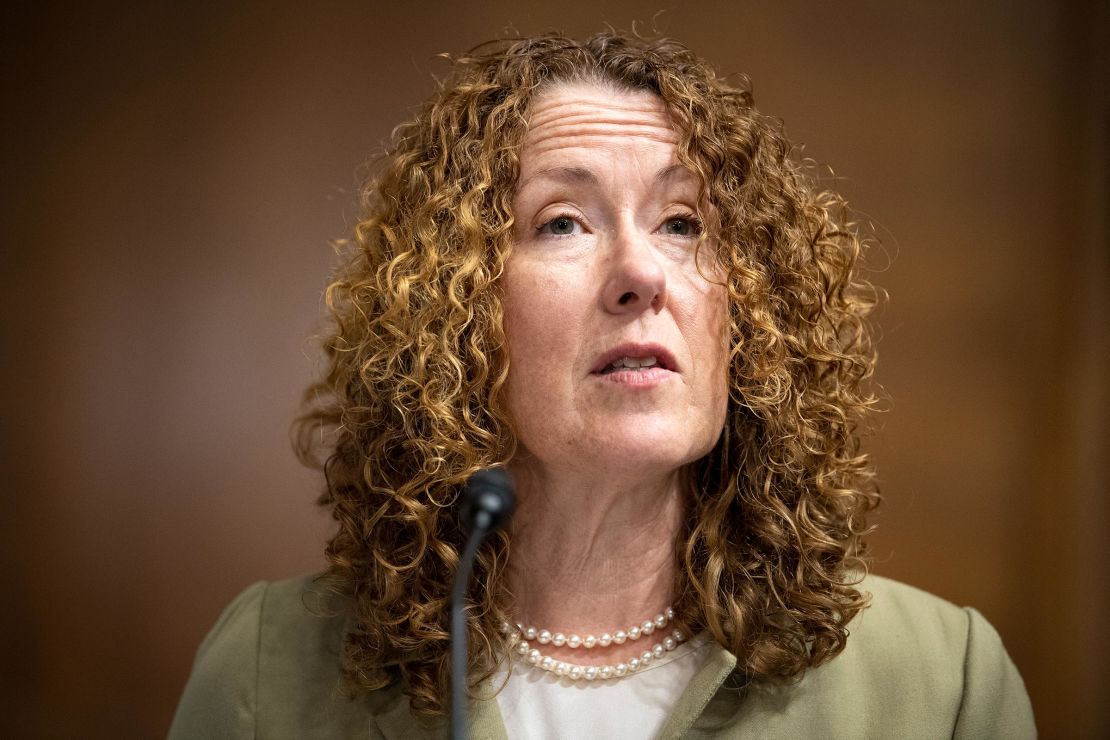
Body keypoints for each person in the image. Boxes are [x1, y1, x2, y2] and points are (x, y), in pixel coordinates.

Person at [168, 32, 1035, 739]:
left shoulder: (941, 683)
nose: (640, 272)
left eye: (684, 222)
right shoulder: (268, 671)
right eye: (563, 222)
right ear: (455, 306)